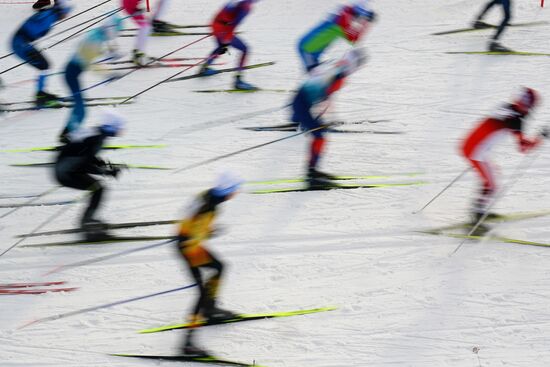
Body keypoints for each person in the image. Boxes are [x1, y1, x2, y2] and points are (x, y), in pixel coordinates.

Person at [176, 172, 243, 356]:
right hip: (190, 247)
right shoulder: (210, 207)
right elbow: (197, 236)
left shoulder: (207, 195)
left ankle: (210, 310)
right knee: (201, 293)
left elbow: (188, 216)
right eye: (235, 189)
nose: (237, 192)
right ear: (228, 191)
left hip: (186, 241)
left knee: (219, 267)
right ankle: (188, 344)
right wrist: (208, 233)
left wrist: (204, 230)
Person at [461, 87, 544, 232]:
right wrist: (540, 138)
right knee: (491, 185)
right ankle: (475, 217)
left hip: (471, 145)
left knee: (493, 173)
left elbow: (496, 123)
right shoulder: (516, 120)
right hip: (477, 152)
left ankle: (479, 211)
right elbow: (523, 148)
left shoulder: (505, 107)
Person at [290, 48, 365, 188]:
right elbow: (325, 97)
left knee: (319, 136)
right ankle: (311, 175)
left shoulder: (335, 64)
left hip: (300, 100)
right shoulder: (339, 75)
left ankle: (313, 172)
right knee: (320, 137)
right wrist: (325, 117)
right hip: (303, 104)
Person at [54, 109, 125, 240]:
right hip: (66, 172)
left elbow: (89, 156)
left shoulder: (96, 133)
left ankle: (88, 220)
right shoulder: (96, 138)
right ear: (111, 127)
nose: (120, 132)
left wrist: (105, 166)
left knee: (97, 188)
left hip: (66, 169)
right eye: (119, 128)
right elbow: (85, 162)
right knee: (98, 188)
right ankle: (88, 223)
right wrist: (106, 171)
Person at [59, 15, 123, 143]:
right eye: (116, 31)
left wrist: (110, 55)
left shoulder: (99, 35)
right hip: (71, 74)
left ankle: (67, 134)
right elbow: (91, 64)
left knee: (80, 108)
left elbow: (92, 52)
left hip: (73, 74)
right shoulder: (95, 38)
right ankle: (67, 136)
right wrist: (109, 73)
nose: (115, 35)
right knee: (81, 109)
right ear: (111, 29)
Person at [11, 0, 71, 107]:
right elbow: (30, 28)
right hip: (20, 44)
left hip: (21, 43)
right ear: (61, 10)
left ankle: (41, 94)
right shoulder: (48, 17)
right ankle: (40, 97)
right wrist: (27, 48)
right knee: (44, 66)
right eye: (66, 12)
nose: (66, 15)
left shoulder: (51, 15)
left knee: (45, 66)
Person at [297, 1, 375, 73]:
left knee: (315, 71)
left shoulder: (343, 13)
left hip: (313, 50)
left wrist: (365, 17)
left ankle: (315, 75)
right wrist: (366, 23)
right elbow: (354, 40)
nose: (357, 20)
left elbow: (352, 35)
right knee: (313, 72)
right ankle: (311, 79)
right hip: (307, 49)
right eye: (358, 17)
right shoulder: (343, 18)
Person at [199, 0, 258, 90]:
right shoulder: (246, 6)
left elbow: (222, 13)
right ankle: (238, 81)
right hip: (224, 29)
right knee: (245, 49)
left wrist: (216, 29)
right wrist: (226, 39)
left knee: (220, 48)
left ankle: (205, 68)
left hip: (216, 24)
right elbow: (234, 24)